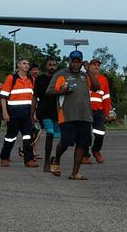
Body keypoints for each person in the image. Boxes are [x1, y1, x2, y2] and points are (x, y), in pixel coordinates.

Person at [46, 50, 100, 180]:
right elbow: (49, 92)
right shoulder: (61, 74)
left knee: (82, 143)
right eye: (73, 61)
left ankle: (75, 172)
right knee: (66, 142)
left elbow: (96, 87)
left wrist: (89, 71)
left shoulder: (84, 75)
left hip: (85, 115)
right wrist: (60, 90)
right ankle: (56, 159)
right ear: (69, 61)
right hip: (67, 114)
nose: (76, 64)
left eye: (78, 62)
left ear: (81, 62)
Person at [0, 59, 39, 167]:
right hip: (13, 114)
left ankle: (29, 160)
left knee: (28, 137)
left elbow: (34, 98)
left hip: (27, 115)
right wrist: (5, 113)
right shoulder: (11, 78)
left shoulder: (31, 79)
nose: (27, 65)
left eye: (28, 64)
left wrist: (33, 114)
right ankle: (5, 157)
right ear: (19, 65)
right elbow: (3, 97)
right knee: (10, 137)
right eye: (24, 63)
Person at [31, 58, 61, 172]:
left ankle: (56, 159)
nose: (52, 67)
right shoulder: (40, 79)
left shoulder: (60, 78)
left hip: (57, 112)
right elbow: (34, 97)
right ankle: (47, 162)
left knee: (62, 138)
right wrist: (31, 114)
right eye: (50, 65)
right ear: (46, 66)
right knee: (50, 133)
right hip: (44, 111)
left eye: (54, 65)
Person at [82, 58, 114, 164]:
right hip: (86, 110)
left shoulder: (103, 79)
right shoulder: (83, 78)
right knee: (85, 134)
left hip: (99, 111)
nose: (96, 67)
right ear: (89, 67)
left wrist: (107, 113)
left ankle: (96, 150)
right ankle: (85, 155)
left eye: (98, 65)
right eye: (94, 65)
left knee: (100, 133)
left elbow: (106, 97)